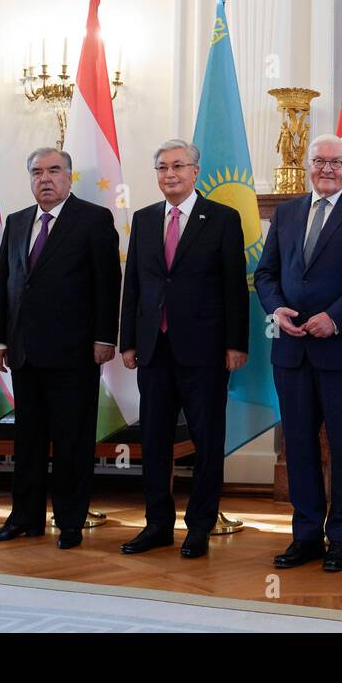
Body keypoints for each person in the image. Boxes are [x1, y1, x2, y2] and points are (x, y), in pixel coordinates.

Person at [253, 134, 342, 572]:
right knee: (298, 446)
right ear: (308, 165)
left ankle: (341, 537)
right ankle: (306, 535)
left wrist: (335, 316)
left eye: (335, 162)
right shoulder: (288, 211)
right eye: (319, 161)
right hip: (291, 352)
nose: (326, 168)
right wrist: (276, 307)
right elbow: (265, 273)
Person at [0, 148, 121, 550]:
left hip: (74, 352)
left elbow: (106, 283)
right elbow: (6, 283)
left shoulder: (93, 219)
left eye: (54, 170)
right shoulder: (18, 220)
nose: (45, 178)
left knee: (72, 441)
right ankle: (24, 518)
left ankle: (70, 521)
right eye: (37, 171)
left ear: (69, 176)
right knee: (27, 441)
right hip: (24, 352)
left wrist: (104, 338)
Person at [118, 140, 249, 559]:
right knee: (154, 440)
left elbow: (234, 287)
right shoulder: (143, 218)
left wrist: (235, 344)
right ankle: (157, 524)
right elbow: (134, 284)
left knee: (207, 442)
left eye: (178, 166)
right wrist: (129, 341)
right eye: (162, 167)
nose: (169, 174)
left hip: (206, 351)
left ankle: (199, 526)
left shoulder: (224, 219)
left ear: (195, 171)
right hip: (153, 350)